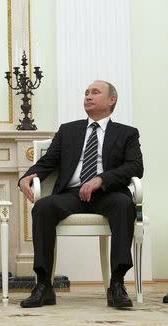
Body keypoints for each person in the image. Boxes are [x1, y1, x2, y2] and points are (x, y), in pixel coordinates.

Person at [18, 80, 143, 309]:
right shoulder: (68, 130)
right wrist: (27, 175)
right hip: (72, 193)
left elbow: (135, 167)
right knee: (43, 207)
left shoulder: (127, 133)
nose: (88, 96)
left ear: (111, 100)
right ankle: (44, 285)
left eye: (95, 92)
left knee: (124, 205)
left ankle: (117, 284)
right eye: (86, 93)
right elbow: (48, 161)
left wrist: (101, 179)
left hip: (108, 193)